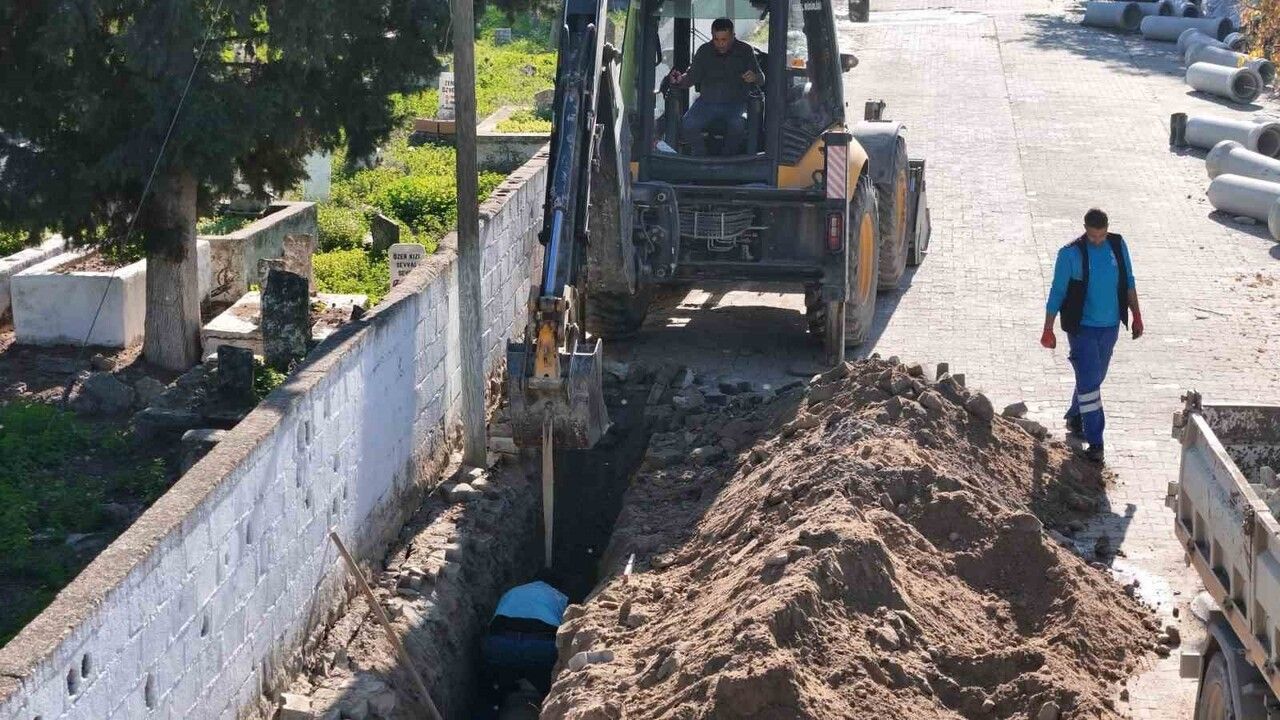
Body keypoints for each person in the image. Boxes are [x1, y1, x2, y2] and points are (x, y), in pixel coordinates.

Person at [1041, 208, 1144, 464]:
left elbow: (1128, 280)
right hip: (1083, 328)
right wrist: (1048, 327)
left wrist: (1137, 315)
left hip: (1109, 328)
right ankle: (1096, 442)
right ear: (1085, 229)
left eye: (1102, 235)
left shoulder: (1118, 246)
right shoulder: (1070, 254)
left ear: (1107, 229)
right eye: (1093, 236)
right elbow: (1057, 292)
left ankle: (1076, 415)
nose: (1098, 240)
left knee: (1095, 378)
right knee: (1089, 384)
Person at [668, 17, 764, 156]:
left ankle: (727, 159)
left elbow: (762, 78)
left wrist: (754, 77)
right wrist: (678, 80)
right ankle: (701, 157)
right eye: (716, 39)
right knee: (687, 124)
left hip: (736, 104)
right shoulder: (704, 51)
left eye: (724, 39)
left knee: (738, 125)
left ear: (733, 36)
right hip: (707, 102)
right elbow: (691, 76)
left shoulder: (745, 51)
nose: (720, 44)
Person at [480, 577, 568, 698]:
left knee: (491, 687)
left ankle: (494, 699)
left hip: (500, 645)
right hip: (541, 648)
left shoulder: (512, 591)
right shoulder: (559, 596)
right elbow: (567, 629)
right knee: (549, 686)